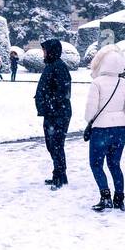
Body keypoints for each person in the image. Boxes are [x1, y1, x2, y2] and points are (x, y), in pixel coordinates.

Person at [85, 48, 125, 211]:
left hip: (101, 129)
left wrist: (92, 120)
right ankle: (119, 198)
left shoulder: (97, 83)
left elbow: (90, 112)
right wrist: (119, 115)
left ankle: (105, 196)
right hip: (120, 128)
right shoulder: (124, 83)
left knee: (96, 164)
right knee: (115, 164)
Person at [34, 38, 73, 189]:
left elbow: (63, 92)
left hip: (58, 114)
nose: (43, 53)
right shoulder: (52, 65)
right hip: (53, 113)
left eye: (45, 50)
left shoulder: (58, 67)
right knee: (53, 145)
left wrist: (50, 104)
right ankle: (59, 175)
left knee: (56, 145)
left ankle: (60, 176)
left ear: (51, 51)